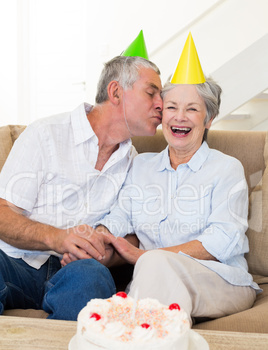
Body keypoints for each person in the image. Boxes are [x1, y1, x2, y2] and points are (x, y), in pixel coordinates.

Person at [63, 76, 261, 325]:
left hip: (222, 280)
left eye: (192, 109)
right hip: (154, 278)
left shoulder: (226, 169)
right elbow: (120, 217)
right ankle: (153, 344)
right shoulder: (141, 165)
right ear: (162, 115)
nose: (180, 116)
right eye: (172, 107)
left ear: (208, 119)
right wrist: (95, 241)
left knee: (154, 264)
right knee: (153, 270)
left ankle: (132, 337)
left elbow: (222, 241)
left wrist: (145, 256)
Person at [0, 55, 162, 320]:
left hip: (75, 272)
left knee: (93, 277)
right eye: (151, 93)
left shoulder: (135, 162)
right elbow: (2, 212)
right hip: (14, 262)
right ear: (116, 92)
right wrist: (57, 238)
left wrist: (103, 254)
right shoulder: (46, 134)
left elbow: (134, 235)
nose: (161, 105)